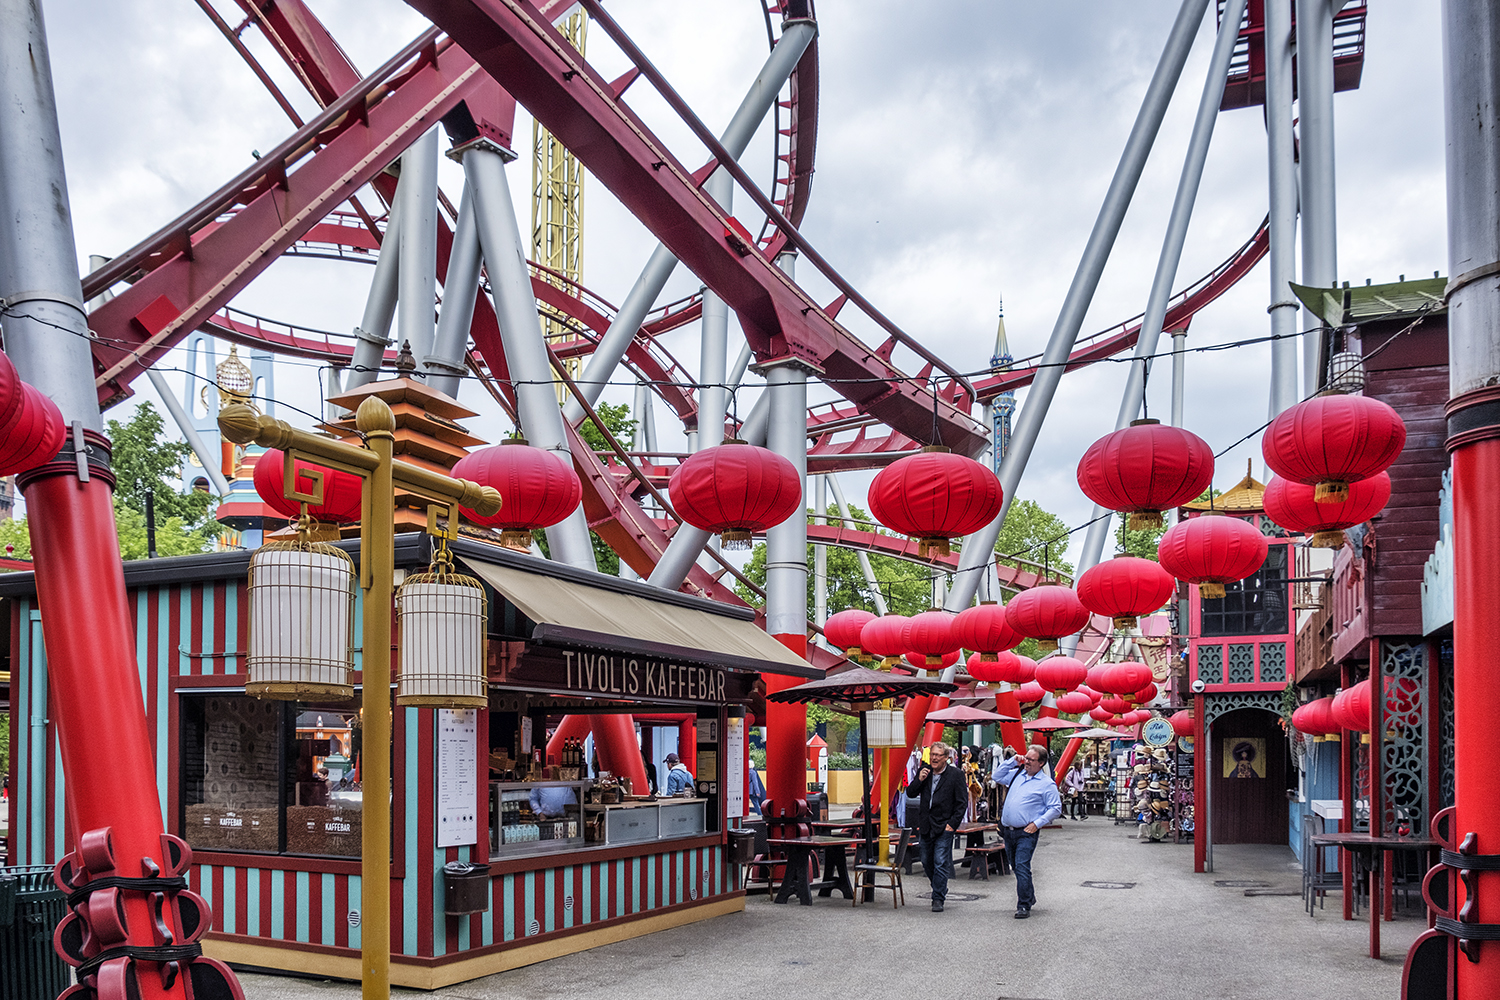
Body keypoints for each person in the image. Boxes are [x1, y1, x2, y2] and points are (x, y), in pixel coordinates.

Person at [993, 744, 1063, 919]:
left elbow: (1055, 808)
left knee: (1022, 866)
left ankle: (1023, 904)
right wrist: (1012, 761)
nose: (1027, 762)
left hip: (1026, 831)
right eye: (1027, 758)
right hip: (1008, 830)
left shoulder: (1046, 784)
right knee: (1016, 866)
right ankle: (1029, 896)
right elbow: (996, 776)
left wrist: (1037, 823)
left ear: (1041, 763)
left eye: (1031, 760)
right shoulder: (1018, 774)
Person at [906, 741, 969, 912]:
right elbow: (910, 793)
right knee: (926, 861)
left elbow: (962, 803)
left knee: (940, 861)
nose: (933, 758)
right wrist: (919, 780)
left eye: (937, 755)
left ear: (946, 758)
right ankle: (939, 886)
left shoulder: (955, 775)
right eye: (932, 754)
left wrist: (952, 824)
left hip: (944, 825)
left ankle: (938, 898)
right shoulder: (924, 771)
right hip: (926, 824)